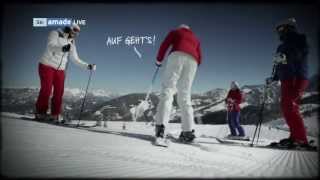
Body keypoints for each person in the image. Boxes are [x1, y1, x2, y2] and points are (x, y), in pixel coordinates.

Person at [35, 23, 96, 123]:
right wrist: (62, 48)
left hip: (60, 70)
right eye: (74, 31)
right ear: (69, 29)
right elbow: (51, 46)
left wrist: (88, 66)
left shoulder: (72, 43)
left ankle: (54, 115)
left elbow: (76, 60)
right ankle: (40, 113)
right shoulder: (55, 33)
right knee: (47, 89)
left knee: (59, 92)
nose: (76, 34)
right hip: (47, 65)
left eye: (77, 33)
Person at [154, 24, 202, 143]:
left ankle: (160, 128)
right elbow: (200, 57)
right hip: (193, 61)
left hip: (177, 55)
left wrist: (159, 60)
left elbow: (165, 44)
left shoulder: (175, 32)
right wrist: (192, 66)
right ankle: (188, 131)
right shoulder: (196, 39)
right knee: (185, 95)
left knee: (168, 90)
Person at [266, 18, 310, 147]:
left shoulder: (299, 40)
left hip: (297, 77)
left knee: (290, 106)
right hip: (286, 79)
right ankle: (294, 137)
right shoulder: (281, 46)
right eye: (277, 30)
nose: (279, 32)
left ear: (289, 28)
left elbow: (297, 55)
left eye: (281, 29)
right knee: (286, 107)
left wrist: (286, 56)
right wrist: (274, 77)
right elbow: (279, 64)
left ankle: (301, 139)